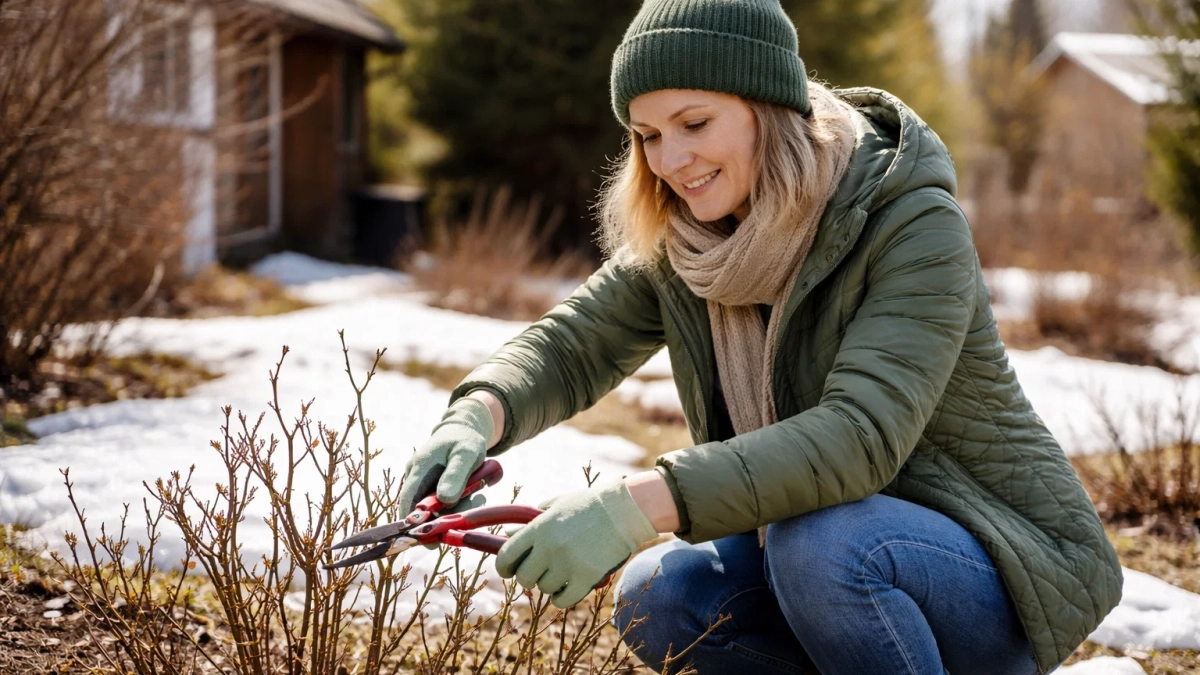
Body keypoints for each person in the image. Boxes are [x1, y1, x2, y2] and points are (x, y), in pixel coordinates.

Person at [395, 0, 1122, 673]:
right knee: (662, 592)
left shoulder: (911, 223)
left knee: (821, 544)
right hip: (825, 565)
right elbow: (574, 344)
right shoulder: (694, 240)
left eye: (694, 123)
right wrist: (479, 411)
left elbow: (858, 437)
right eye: (648, 136)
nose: (669, 160)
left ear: (768, 107)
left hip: (991, 566)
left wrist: (636, 503)